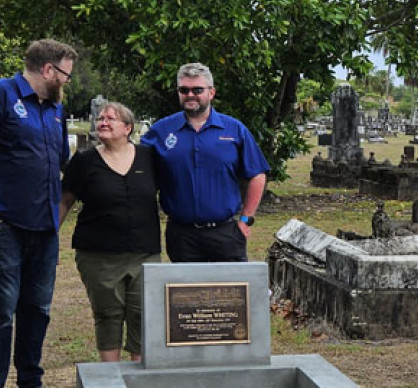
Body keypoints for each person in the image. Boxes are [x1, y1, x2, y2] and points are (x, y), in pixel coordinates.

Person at [0, 38, 78, 388]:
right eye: (66, 73)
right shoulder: (3, 94)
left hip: (45, 226)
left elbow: (60, 162)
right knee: (2, 311)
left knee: (37, 309)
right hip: (6, 224)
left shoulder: (56, 108)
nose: (68, 81)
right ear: (49, 70)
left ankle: (31, 387)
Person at [60, 102, 161, 362]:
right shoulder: (84, 161)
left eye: (110, 119)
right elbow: (64, 201)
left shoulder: (149, 158)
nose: (102, 122)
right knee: (107, 315)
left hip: (143, 253)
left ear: (128, 128)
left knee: (143, 315)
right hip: (98, 255)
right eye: (100, 118)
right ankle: (110, 379)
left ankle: (138, 378)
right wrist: (48, 237)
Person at [140, 63, 269, 262]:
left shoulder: (234, 130)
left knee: (229, 292)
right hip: (181, 235)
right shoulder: (161, 131)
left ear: (211, 92)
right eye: (184, 90)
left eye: (197, 90)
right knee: (186, 293)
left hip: (225, 233)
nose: (190, 95)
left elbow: (257, 174)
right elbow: (135, 165)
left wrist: (245, 220)